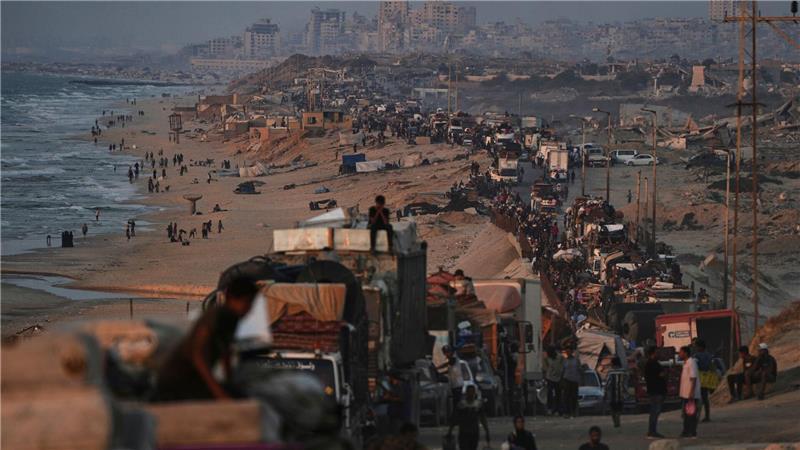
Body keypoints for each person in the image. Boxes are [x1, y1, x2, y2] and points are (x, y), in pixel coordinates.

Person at [154, 275, 259, 401]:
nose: (249, 309)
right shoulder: (217, 315)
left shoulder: (233, 319)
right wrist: (219, 392)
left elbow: (226, 352)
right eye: (247, 302)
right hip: (179, 381)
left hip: (195, 381)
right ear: (232, 298)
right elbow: (197, 355)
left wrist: (230, 383)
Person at [447, 385, 490, 450]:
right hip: (464, 432)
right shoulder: (461, 405)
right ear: (466, 393)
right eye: (469, 392)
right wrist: (450, 430)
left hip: (474, 432)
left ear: (474, 393)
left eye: (472, 392)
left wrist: (487, 431)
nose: (470, 394)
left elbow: (483, 418)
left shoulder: (478, 405)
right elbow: (454, 418)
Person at [644, 346, 667, 438]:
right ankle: (652, 431)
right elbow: (659, 375)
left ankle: (652, 430)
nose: (659, 354)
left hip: (655, 390)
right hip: (656, 391)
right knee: (655, 412)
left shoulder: (652, 363)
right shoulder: (652, 364)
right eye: (657, 352)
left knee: (654, 412)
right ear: (653, 353)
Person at [678, 345, 700, 439]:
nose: (679, 354)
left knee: (691, 414)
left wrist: (691, 392)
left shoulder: (691, 363)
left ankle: (692, 432)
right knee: (686, 414)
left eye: (681, 352)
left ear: (685, 353)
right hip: (685, 393)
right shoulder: (686, 363)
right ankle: (686, 431)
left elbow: (693, 378)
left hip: (690, 394)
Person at [693, 339, 716, 422]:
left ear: (699, 347)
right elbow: (713, 367)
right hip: (707, 379)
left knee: (698, 399)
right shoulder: (709, 355)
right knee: (705, 399)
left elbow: (695, 367)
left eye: (696, 346)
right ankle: (707, 416)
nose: (695, 348)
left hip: (700, 378)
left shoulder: (696, 356)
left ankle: (696, 417)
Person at [606, 356, 627, 428]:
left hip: (612, 395)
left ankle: (615, 421)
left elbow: (607, 383)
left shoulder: (610, 372)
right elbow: (625, 382)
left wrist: (605, 393)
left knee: (612, 409)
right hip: (620, 394)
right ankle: (618, 419)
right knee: (619, 409)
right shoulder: (623, 372)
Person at [561, 346, 581, 418]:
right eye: (566, 352)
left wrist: (580, 379)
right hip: (567, 380)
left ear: (571, 352)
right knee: (566, 397)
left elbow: (579, 369)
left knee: (574, 397)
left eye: (569, 351)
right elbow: (563, 371)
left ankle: (573, 412)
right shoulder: (565, 361)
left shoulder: (576, 360)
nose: (567, 353)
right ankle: (567, 412)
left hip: (574, 381)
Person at [543, 347, 563, 416]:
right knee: (549, 393)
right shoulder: (547, 358)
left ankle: (558, 409)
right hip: (550, 377)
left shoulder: (560, 357)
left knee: (558, 394)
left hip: (558, 378)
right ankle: (550, 408)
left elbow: (563, 366)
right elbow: (545, 367)